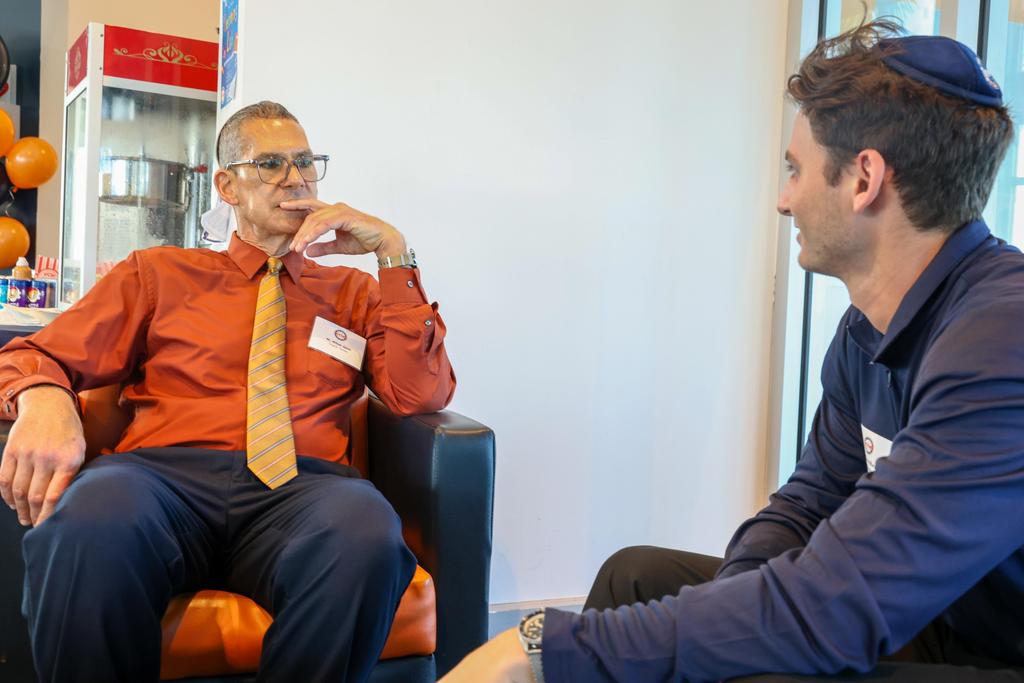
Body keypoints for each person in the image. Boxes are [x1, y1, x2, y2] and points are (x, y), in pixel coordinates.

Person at [441, 20, 1024, 683]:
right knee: (636, 578)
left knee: (755, 666)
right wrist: (723, 615)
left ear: (864, 179)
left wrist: (541, 648)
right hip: (932, 623)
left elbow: (835, 605)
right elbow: (805, 507)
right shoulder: (867, 331)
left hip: (995, 656)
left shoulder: (1002, 339)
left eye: (795, 169)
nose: (783, 200)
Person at [0, 100, 455, 682]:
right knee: (89, 521)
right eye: (270, 164)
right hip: (161, 483)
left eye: (305, 162)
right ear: (227, 187)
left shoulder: (354, 292)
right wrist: (45, 399)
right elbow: (33, 355)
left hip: (305, 492)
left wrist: (393, 252)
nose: (295, 178)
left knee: (366, 533)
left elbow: (421, 395)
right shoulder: (157, 274)